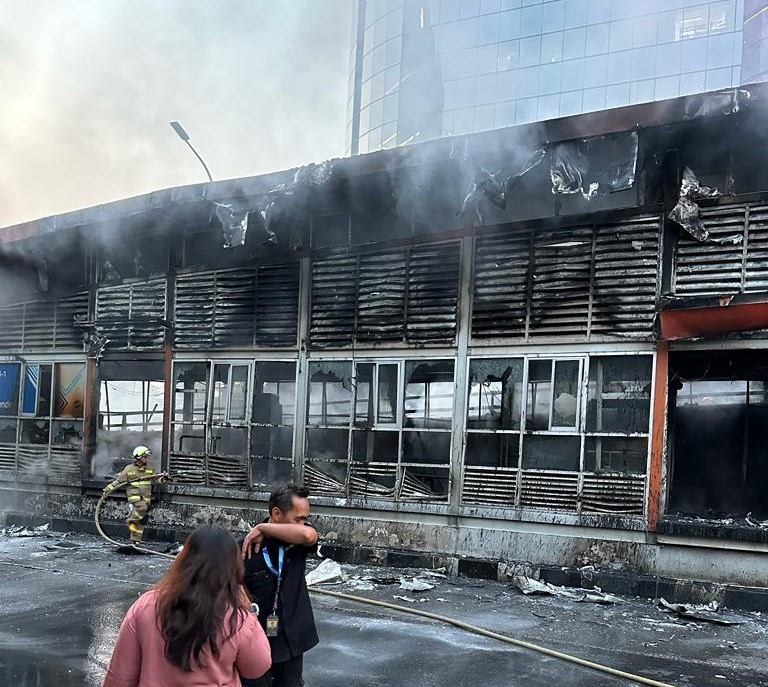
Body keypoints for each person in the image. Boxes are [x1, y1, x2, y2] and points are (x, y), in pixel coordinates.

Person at [102, 525, 271, 687]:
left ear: (183, 559)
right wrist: (249, 610)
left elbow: (119, 678)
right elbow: (257, 667)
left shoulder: (147, 605)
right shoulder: (237, 617)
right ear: (233, 569)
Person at [241, 484, 319, 687]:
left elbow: (309, 536)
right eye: (298, 518)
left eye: (305, 519)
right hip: (255, 641)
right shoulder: (247, 548)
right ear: (276, 513)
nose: (304, 524)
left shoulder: (298, 541)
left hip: (291, 639)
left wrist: (261, 527)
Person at [103, 445, 163, 545]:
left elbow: (156, 480)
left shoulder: (150, 469)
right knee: (141, 509)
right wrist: (106, 490)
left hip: (146, 498)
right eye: (145, 456)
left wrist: (164, 478)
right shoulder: (129, 469)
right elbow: (118, 482)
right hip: (135, 498)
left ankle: (135, 541)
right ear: (139, 457)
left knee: (142, 521)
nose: (147, 459)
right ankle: (131, 520)